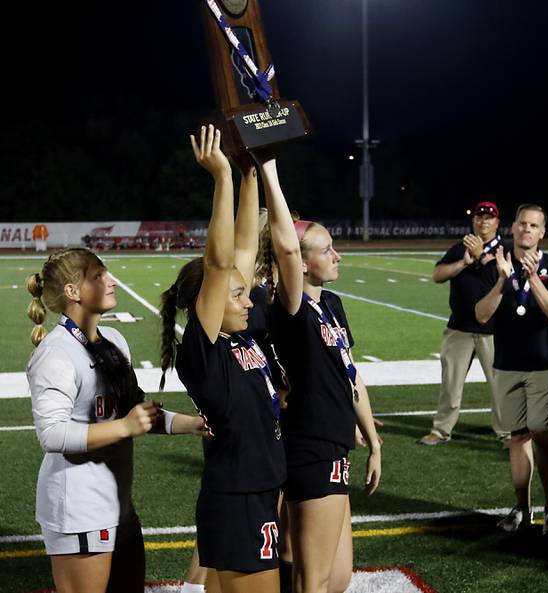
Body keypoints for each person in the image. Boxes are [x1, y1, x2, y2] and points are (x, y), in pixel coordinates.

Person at [159, 126, 297, 593]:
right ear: (209, 304)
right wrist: (220, 177)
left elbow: (240, 251)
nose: (248, 301)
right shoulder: (204, 353)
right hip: (239, 499)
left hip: (246, 492)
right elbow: (220, 266)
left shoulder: (241, 338)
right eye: (237, 296)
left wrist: (248, 170)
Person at [25, 247, 205, 593]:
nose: (112, 281)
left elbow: (136, 410)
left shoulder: (115, 341)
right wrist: (124, 426)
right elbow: (52, 433)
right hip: (78, 509)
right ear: (72, 292)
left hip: (118, 507)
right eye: (99, 276)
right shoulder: (56, 353)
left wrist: (193, 424)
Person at [271, 218, 381, 593]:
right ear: (300, 263)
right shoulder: (291, 308)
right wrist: (268, 171)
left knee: (336, 577)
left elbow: (351, 373)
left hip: (335, 441)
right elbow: (285, 248)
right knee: (314, 579)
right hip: (311, 442)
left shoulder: (330, 303)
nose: (337, 256)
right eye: (326, 250)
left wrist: (374, 441)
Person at [475, 204, 548, 534]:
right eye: (522, 224)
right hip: (508, 364)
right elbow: (482, 315)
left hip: (543, 363)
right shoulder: (495, 265)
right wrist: (502, 279)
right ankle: (522, 508)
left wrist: (531, 278)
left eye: (534, 225)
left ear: (543, 232)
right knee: (517, 436)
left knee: (542, 431)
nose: (527, 229)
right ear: (513, 228)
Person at [419, 200, 509, 446]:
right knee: (451, 384)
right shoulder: (460, 247)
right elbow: (437, 275)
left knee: (500, 385)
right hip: (459, 327)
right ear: (473, 221)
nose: (483, 221)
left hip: (494, 330)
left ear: (497, 223)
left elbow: (507, 282)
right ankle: (441, 430)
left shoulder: (505, 250)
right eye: (479, 217)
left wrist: (482, 256)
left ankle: (506, 432)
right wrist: (463, 263)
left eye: (489, 217)